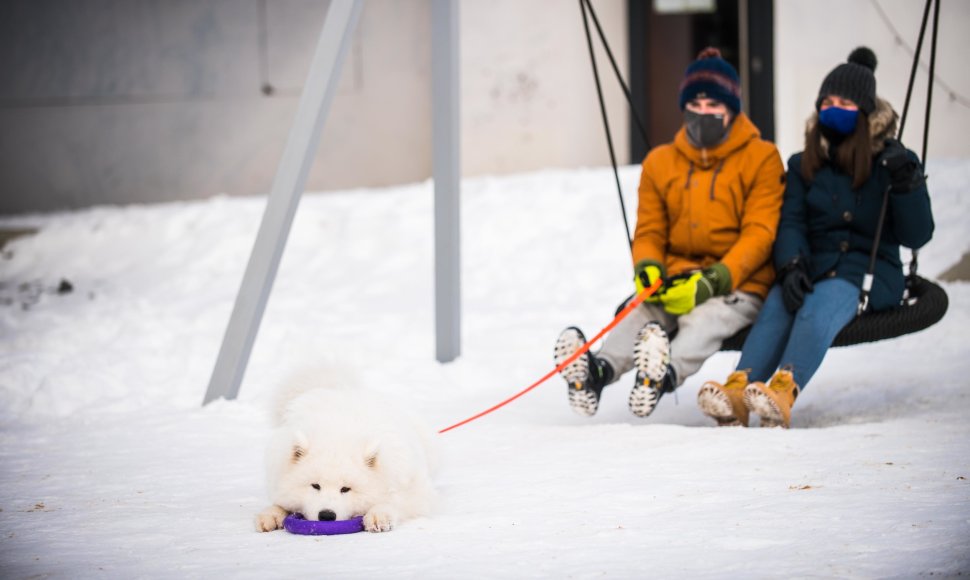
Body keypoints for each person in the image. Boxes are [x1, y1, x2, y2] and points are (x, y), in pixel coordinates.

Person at [697, 47, 935, 428]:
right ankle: (739, 389)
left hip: (866, 275)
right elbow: (790, 221)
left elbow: (918, 234)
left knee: (818, 305)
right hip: (813, 265)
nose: (833, 107)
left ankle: (783, 390)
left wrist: (908, 184)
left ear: (865, 112)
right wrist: (791, 264)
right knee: (779, 303)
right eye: (828, 100)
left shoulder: (891, 162)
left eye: (844, 102)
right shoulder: (803, 163)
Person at [554, 48, 786, 419]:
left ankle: (661, 376)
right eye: (695, 103)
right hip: (676, 276)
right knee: (640, 311)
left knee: (706, 320)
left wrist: (716, 278)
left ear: (732, 108)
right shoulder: (661, 162)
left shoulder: (761, 157)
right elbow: (650, 228)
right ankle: (597, 372)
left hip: (737, 283)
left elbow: (760, 231)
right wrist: (647, 265)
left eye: (713, 104)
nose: (703, 112)